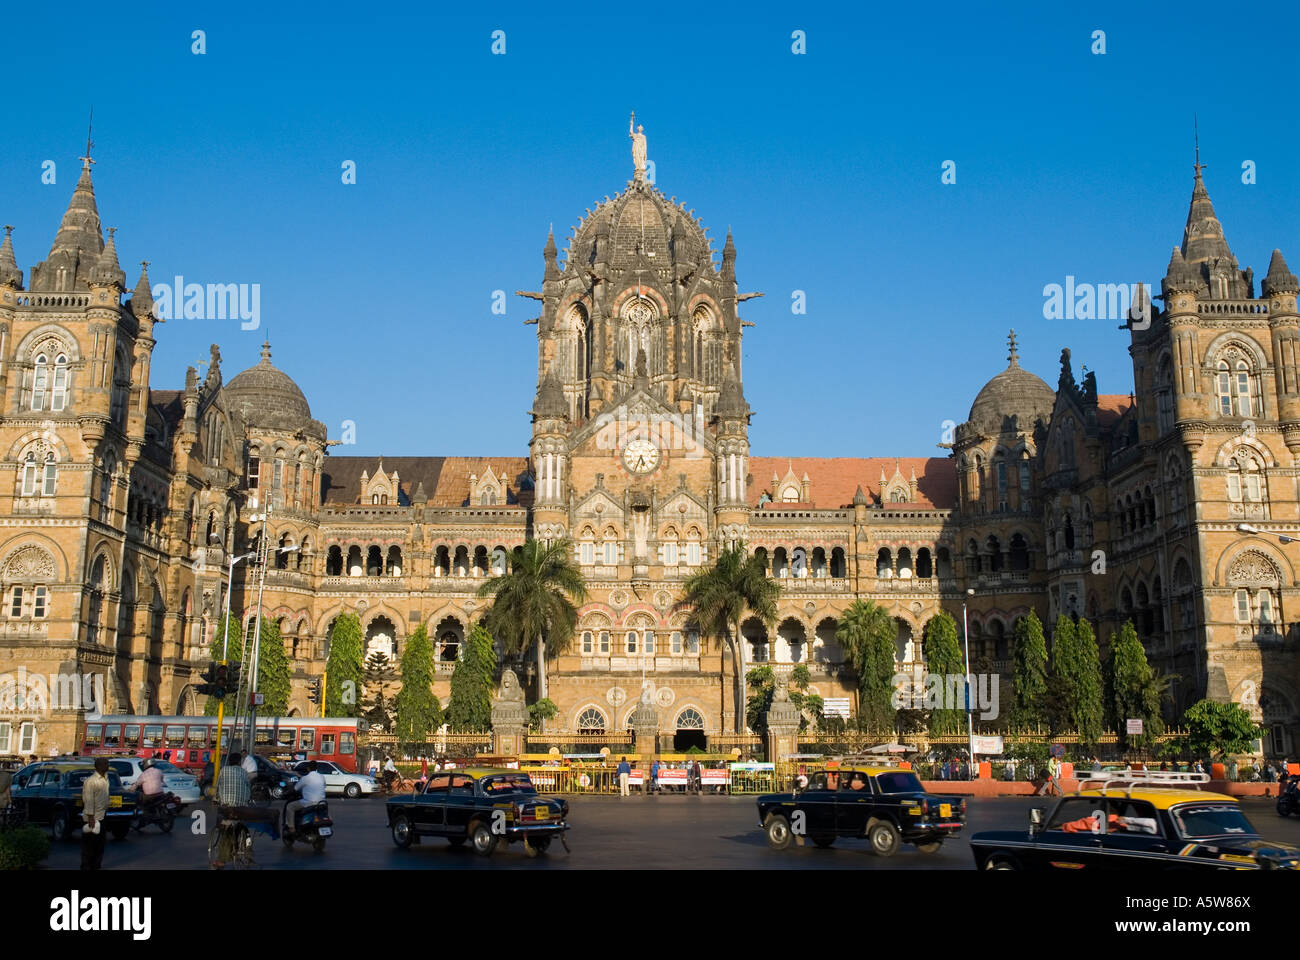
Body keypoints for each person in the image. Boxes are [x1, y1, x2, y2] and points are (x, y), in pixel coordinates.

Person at [215, 751, 279, 843]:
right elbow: (247, 787)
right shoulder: (244, 772)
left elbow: (218, 786)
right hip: (241, 806)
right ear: (239, 762)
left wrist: (217, 798)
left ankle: (222, 830)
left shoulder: (223, 770)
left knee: (221, 814)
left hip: (226, 805)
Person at [81, 758, 111, 870]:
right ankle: (86, 866)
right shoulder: (91, 781)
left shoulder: (106, 779)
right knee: (89, 847)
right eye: (105, 763)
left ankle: (96, 865)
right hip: (92, 818)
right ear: (98, 766)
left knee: (100, 845)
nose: (107, 765)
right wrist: (90, 817)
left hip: (102, 816)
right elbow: (88, 800)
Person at [284, 760, 327, 832]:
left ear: (308, 768)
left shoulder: (305, 778)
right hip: (322, 802)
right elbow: (324, 786)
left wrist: (286, 792)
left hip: (309, 802)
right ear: (316, 768)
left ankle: (291, 828)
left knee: (290, 806)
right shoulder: (321, 777)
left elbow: (295, 789)